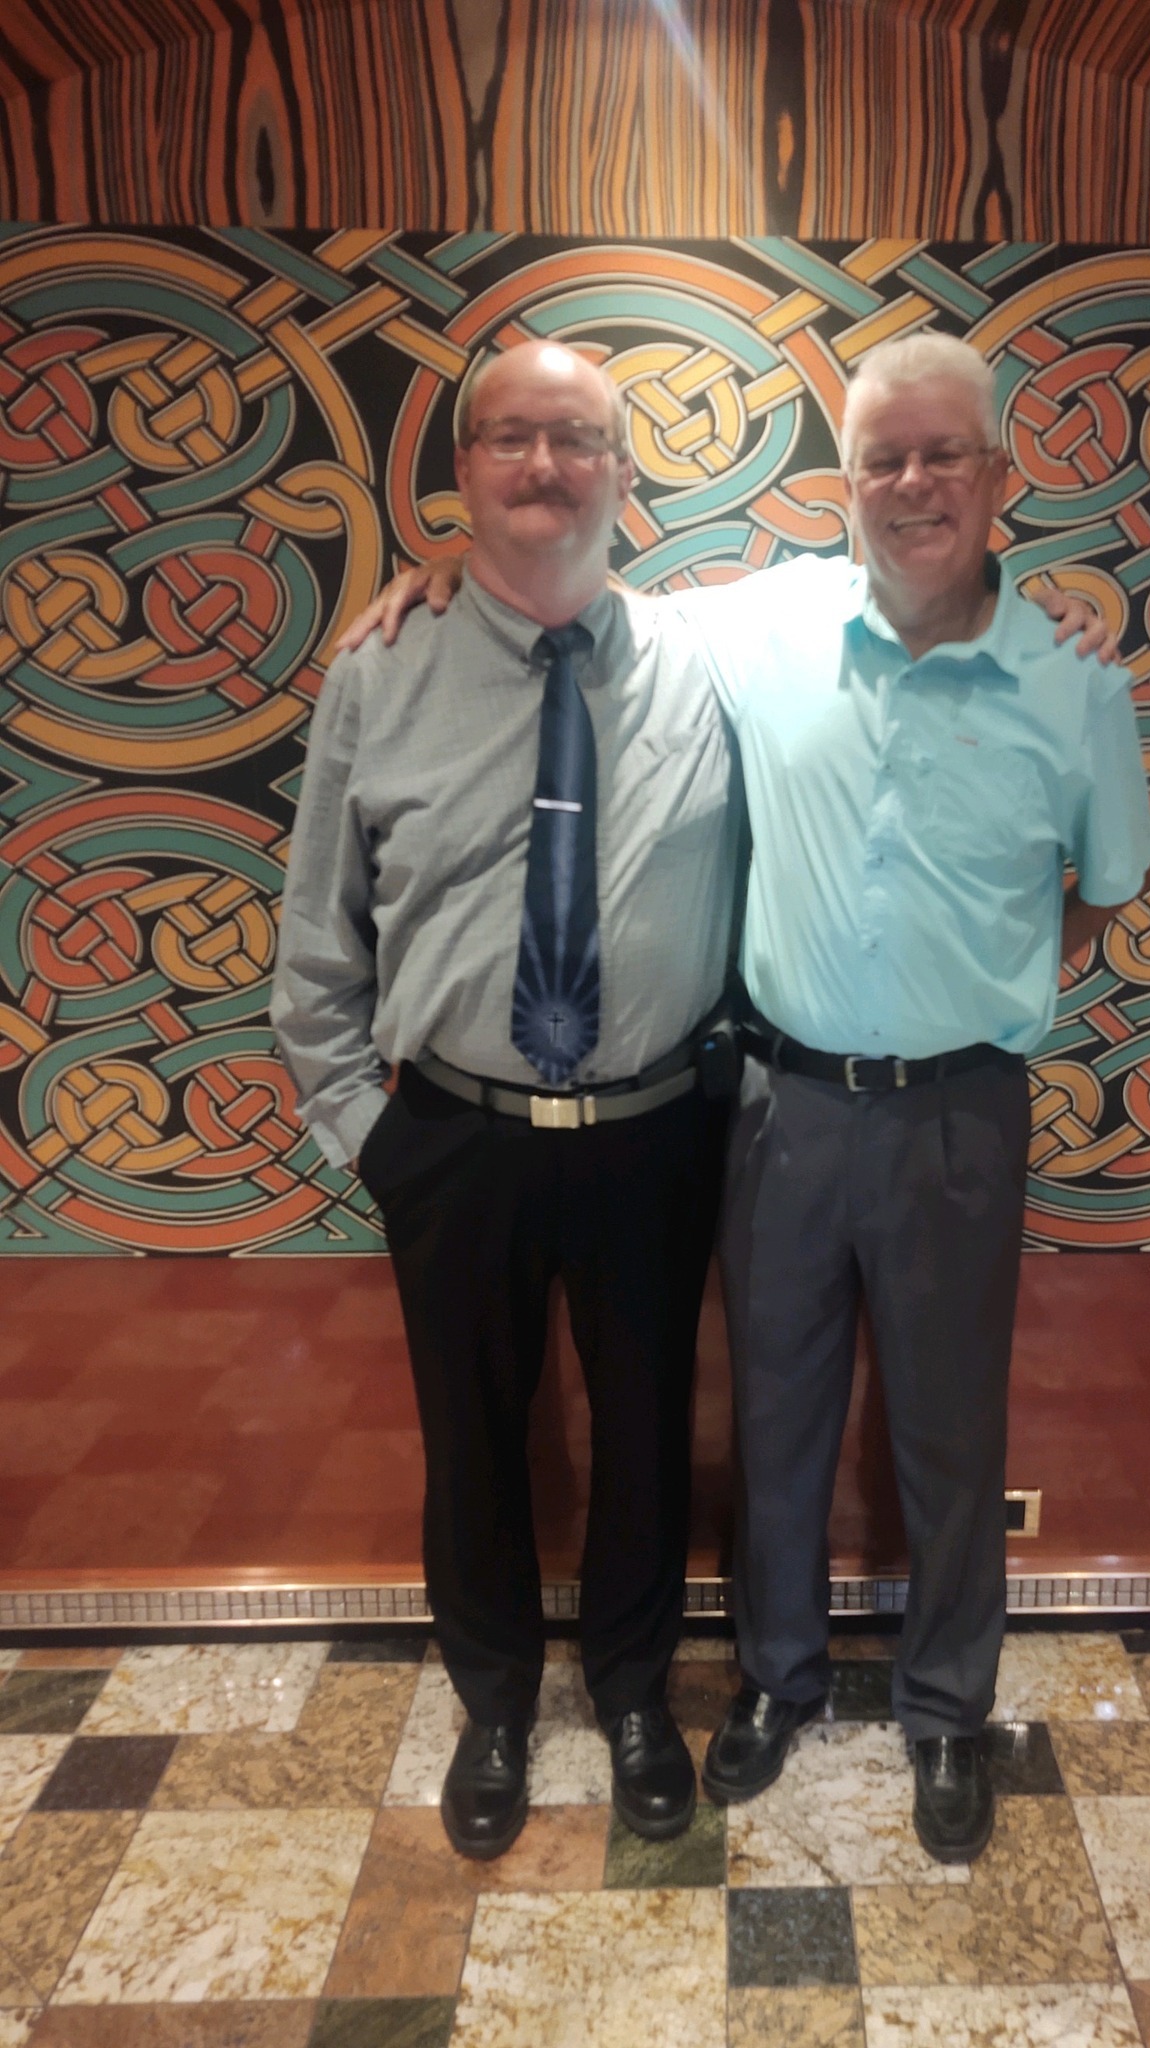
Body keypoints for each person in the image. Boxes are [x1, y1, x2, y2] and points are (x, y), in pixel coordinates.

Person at [324, 334, 1142, 1863]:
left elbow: (1103, 882)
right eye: (884, 458)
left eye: (944, 455)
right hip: (659, 1115)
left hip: (837, 1115)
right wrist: (433, 566)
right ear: (845, 484)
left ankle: (844, 1710)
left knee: (860, 1438)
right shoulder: (700, 633)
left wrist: (1000, 968)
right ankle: (658, 1694)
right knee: (693, 1427)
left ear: (999, 477)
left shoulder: (1029, 671)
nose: (912, 485)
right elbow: (541, 588)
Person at [272, 340, 741, 1857]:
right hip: (454, 1138)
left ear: (625, 474)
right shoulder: (379, 667)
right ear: (464, 470)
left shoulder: (711, 659)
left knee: (648, 1434)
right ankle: (491, 1704)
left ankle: (632, 1696)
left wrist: (1041, 608)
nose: (545, 465)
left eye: (578, 439)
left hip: (656, 1133)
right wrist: (372, 1138)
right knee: (469, 1439)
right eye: (511, 437)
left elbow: (900, 577)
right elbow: (318, 939)